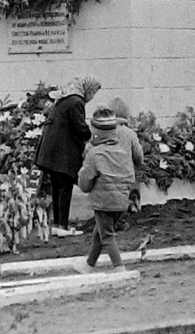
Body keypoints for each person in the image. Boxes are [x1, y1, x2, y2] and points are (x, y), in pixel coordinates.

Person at [34, 74, 101, 236]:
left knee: (57, 187)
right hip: (61, 153)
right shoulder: (76, 102)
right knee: (65, 187)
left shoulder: (66, 99)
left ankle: (57, 225)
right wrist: (92, 137)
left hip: (50, 151)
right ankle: (63, 227)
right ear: (88, 89)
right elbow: (80, 128)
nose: (92, 98)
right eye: (93, 93)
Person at [76, 106, 137, 271]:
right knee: (100, 232)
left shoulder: (95, 154)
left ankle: (119, 267)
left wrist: (85, 186)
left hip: (103, 202)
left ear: (96, 133)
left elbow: (85, 180)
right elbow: (130, 176)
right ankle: (89, 264)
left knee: (107, 236)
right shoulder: (122, 153)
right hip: (121, 201)